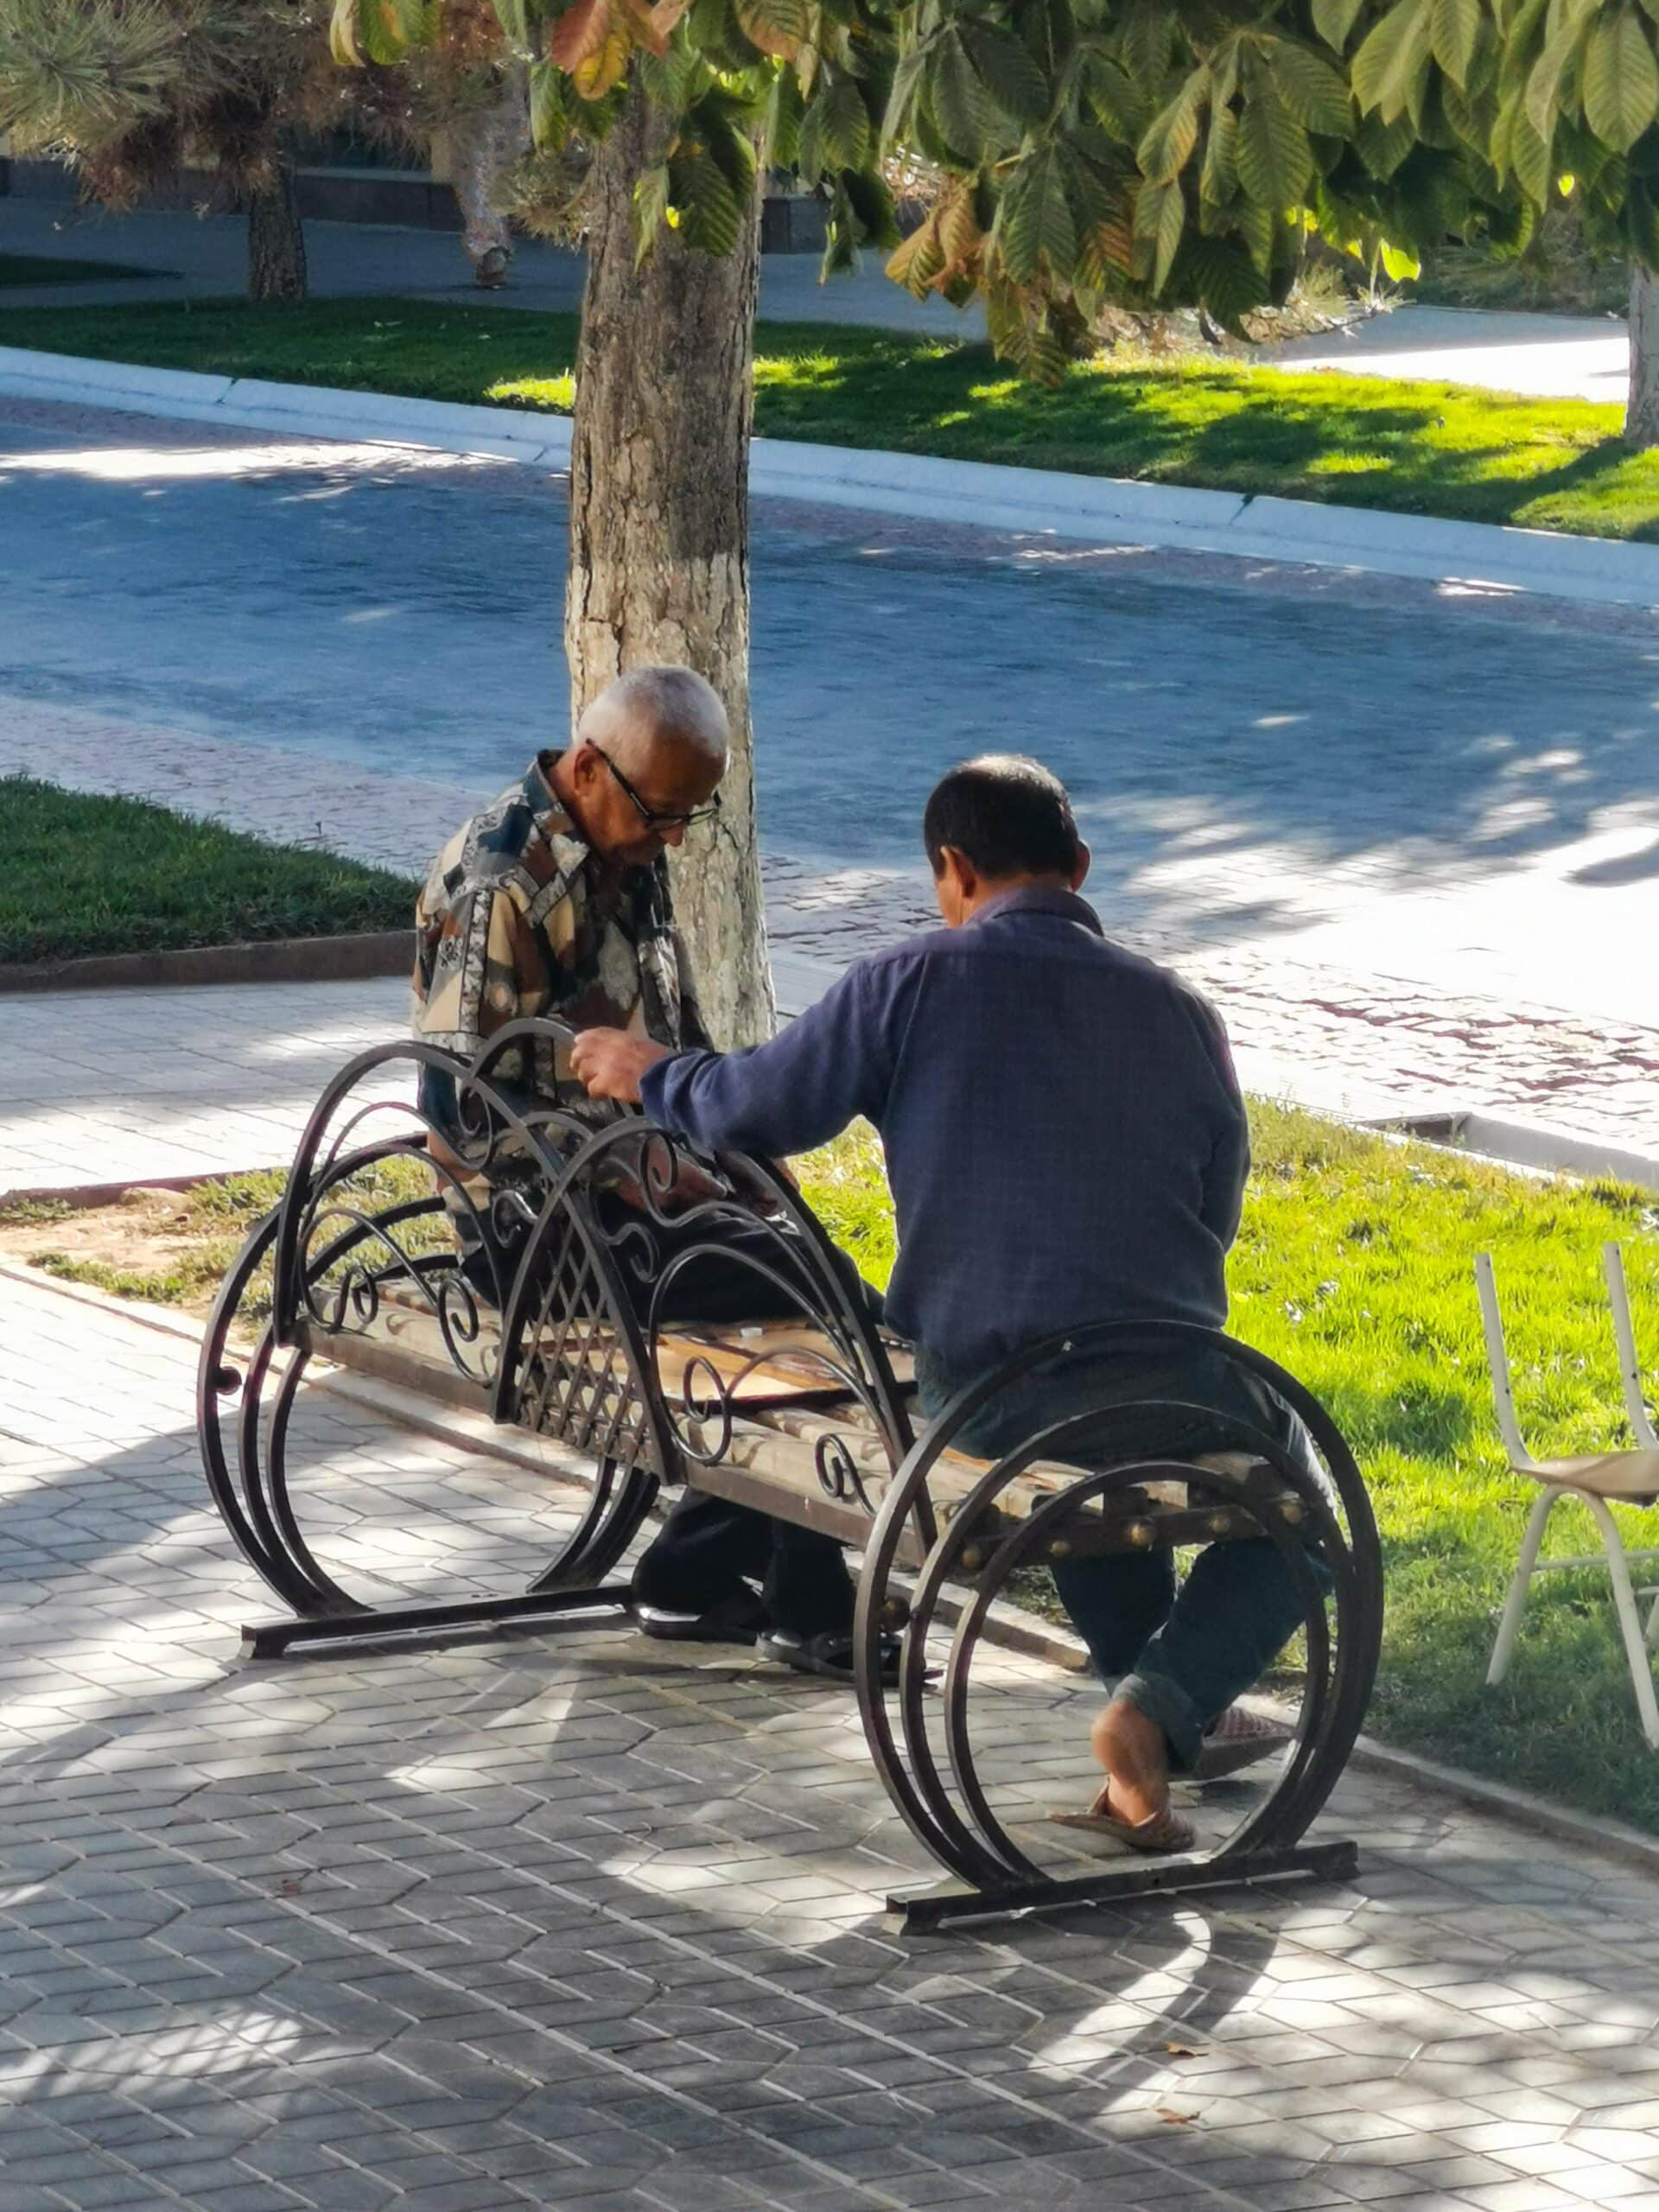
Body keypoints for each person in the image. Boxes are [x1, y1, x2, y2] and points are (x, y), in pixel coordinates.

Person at [571, 753, 1319, 1853]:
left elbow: (753, 1107)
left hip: (992, 1396)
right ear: (1080, 866)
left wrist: (652, 1069)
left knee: (1086, 1470)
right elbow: (1218, 1203)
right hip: (1171, 1376)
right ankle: (1155, 1708)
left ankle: (1152, 1712)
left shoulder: (908, 984)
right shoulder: (1181, 1010)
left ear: (953, 870)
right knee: (1301, 1506)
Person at [412, 663, 862, 1660]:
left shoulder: (624, 846)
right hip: (536, 1236)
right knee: (806, 1298)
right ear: (586, 766)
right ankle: (793, 1594)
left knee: (814, 1281)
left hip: (636, 1206)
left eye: (687, 820)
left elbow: (671, 1035)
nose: (671, 840)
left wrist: (714, 1139)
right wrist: (634, 1169)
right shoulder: (503, 885)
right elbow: (460, 1113)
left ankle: (714, 1576)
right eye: (663, 814)